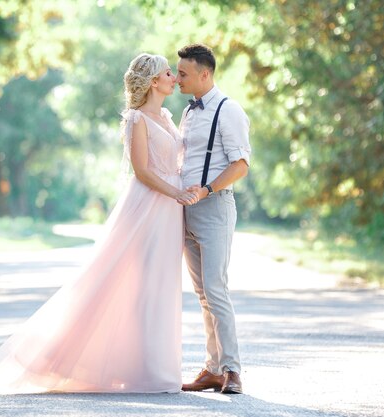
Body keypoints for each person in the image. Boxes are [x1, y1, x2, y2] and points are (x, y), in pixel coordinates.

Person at [0, 53, 198, 393]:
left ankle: (156, 370)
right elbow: (143, 171)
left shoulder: (169, 117)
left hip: (170, 209)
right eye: (169, 73)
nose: (175, 77)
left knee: (161, 285)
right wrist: (176, 192)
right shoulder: (136, 120)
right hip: (147, 207)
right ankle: (65, 359)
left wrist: (184, 190)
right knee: (129, 282)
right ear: (154, 81)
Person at [176, 44, 251, 394]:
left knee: (216, 289)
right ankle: (212, 368)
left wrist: (206, 190)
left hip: (215, 206)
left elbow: (240, 165)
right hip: (185, 210)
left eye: (183, 73)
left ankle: (233, 370)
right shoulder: (188, 113)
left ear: (204, 74)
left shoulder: (228, 109)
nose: (177, 79)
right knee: (203, 294)